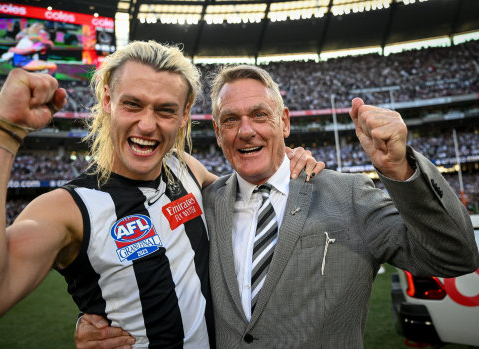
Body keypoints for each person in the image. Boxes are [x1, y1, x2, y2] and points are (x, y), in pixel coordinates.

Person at [0, 42, 322, 348]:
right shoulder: (69, 209)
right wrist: (2, 132)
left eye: (166, 110)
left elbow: (252, 197)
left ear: (185, 115)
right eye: (132, 104)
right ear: (106, 101)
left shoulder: (186, 169)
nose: (147, 125)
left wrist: (289, 160)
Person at [76, 64, 479, 348]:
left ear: (284, 122)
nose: (245, 130)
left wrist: (400, 167)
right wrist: (99, 324)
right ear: (217, 132)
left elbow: (454, 255)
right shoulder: (205, 204)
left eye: (259, 115)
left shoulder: (349, 194)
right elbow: (160, 280)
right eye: (230, 120)